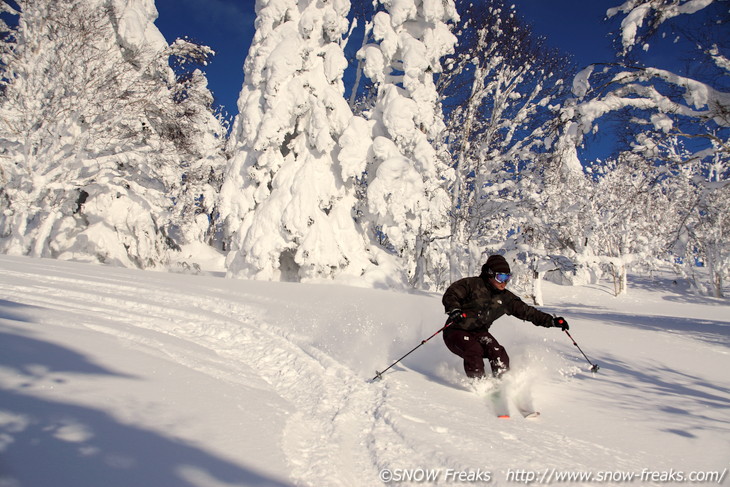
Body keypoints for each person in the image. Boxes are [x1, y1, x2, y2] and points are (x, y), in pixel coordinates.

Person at [442, 254, 569, 379]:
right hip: (456, 331)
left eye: (507, 277)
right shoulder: (471, 284)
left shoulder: (506, 298)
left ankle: (503, 384)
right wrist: (454, 310)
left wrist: (551, 321)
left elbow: (528, 312)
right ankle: (477, 384)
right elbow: (452, 294)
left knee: (498, 352)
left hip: (479, 332)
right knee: (474, 350)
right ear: (489, 274)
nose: (504, 282)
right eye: (501, 277)